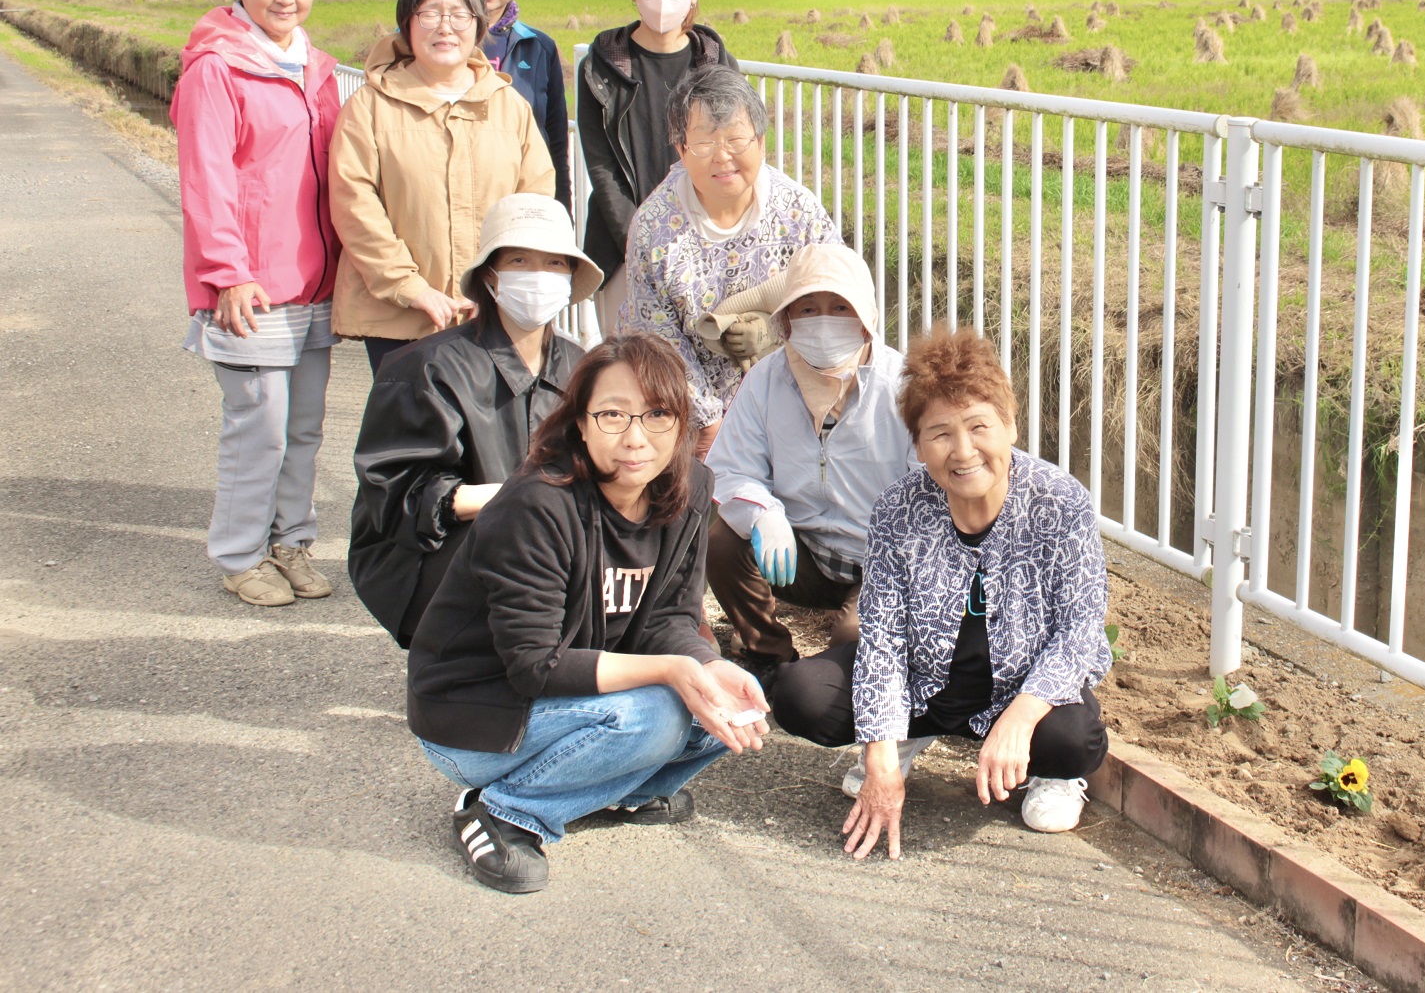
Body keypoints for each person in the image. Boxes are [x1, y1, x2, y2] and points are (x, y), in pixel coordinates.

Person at [406, 332, 769, 895]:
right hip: (477, 719)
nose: (636, 437)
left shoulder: (689, 488)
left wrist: (706, 663)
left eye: (657, 414)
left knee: (727, 707)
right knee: (658, 714)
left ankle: (609, 790)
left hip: (568, 703)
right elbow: (535, 666)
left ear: (682, 423)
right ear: (580, 422)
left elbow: (670, 618)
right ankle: (504, 811)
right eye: (612, 415)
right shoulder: (536, 504)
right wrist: (670, 671)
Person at [768, 328, 1112, 857]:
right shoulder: (897, 510)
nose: (963, 450)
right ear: (918, 445)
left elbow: (1080, 631)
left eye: (979, 426)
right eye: (940, 433)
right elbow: (881, 638)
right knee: (802, 695)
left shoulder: (1061, 503)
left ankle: (1051, 774)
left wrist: (1020, 718)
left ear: (1010, 426)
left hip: (1020, 689)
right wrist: (880, 756)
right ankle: (903, 737)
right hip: (925, 683)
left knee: (1072, 738)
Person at [172, 0, 343, 608]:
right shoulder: (217, 68)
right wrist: (227, 272)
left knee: (303, 428)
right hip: (250, 286)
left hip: (314, 282)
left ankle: (291, 541)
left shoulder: (316, 68)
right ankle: (241, 555)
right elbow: (206, 177)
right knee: (258, 427)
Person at [349, 194, 602, 647]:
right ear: (490, 275)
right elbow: (399, 497)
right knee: (520, 546)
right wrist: (522, 498)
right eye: (519, 261)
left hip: (545, 541)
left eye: (554, 263)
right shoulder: (425, 368)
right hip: (431, 551)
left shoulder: (583, 369)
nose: (538, 275)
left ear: (570, 276)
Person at [330, 0, 555, 373]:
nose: (445, 27)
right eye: (430, 13)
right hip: (398, 318)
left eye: (459, 14)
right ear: (407, 22)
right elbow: (353, 204)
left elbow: (533, 205)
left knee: (491, 416)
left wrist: (496, 287)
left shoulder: (509, 106)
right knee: (409, 416)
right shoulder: (370, 106)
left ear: (479, 23)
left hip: (492, 313)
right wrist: (409, 286)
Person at [705, 243, 917, 681]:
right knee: (722, 541)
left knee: (849, 645)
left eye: (840, 307)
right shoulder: (765, 379)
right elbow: (731, 467)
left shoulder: (901, 387)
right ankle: (769, 654)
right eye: (807, 308)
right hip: (801, 557)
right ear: (786, 319)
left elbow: (928, 485)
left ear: (865, 316)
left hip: (882, 563)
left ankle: (838, 669)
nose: (824, 321)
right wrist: (763, 513)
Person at [623, 63, 838, 456]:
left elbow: (839, 291)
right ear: (680, 149)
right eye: (704, 144)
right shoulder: (654, 228)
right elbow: (658, 337)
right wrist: (708, 422)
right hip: (693, 419)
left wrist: (775, 331)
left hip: (795, 401)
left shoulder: (798, 211)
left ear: (761, 141)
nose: (722, 157)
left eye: (736, 140)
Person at [575, 0, 736, 326]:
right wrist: (640, 241)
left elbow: (732, 155)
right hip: (623, 249)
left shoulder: (716, 64)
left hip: (704, 244)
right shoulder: (601, 68)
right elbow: (603, 169)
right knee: (630, 358)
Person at [456, 0, 571, 210]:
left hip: (522, 209)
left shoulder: (539, 47)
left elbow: (555, 144)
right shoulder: (428, 42)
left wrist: (561, 215)